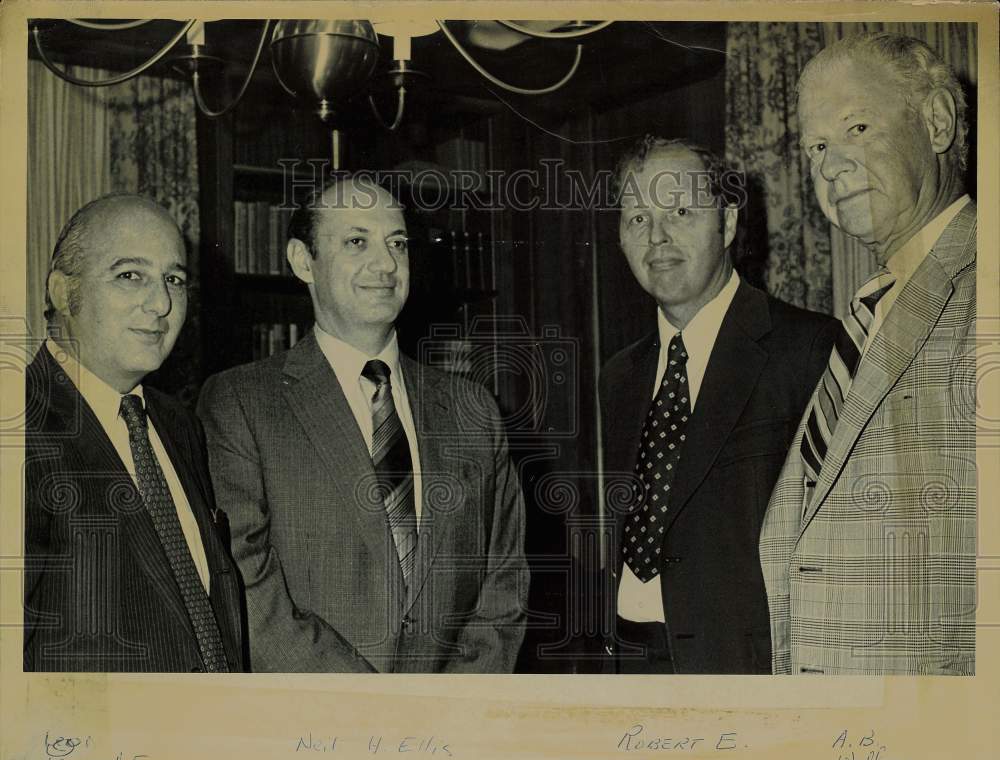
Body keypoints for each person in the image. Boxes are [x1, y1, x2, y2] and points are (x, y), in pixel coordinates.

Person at [197, 175, 527, 672]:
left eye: (397, 243)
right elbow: (245, 587)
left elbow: (503, 583)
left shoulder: (472, 410)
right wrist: (368, 706)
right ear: (302, 261)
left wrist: (456, 704)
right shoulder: (241, 403)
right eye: (357, 242)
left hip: (452, 727)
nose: (386, 264)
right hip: (317, 726)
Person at [759, 32, 976, 675]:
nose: (828, 167)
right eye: (818, 147)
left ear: (936, 122)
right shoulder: (869, 313)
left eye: (856, 127)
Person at [600, 137, 837, 673]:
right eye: (637, 219)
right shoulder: (617, 377)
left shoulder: (810, 351)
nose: (657, 237)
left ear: (727, 224)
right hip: (628, 666)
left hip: (745, 667)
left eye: (680, 212)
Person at [24, 193, 247, 672]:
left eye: (174, 279)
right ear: (64, 293)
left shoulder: (178, 424)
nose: (162, 302)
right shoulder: (20, 430)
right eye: (130, 276)